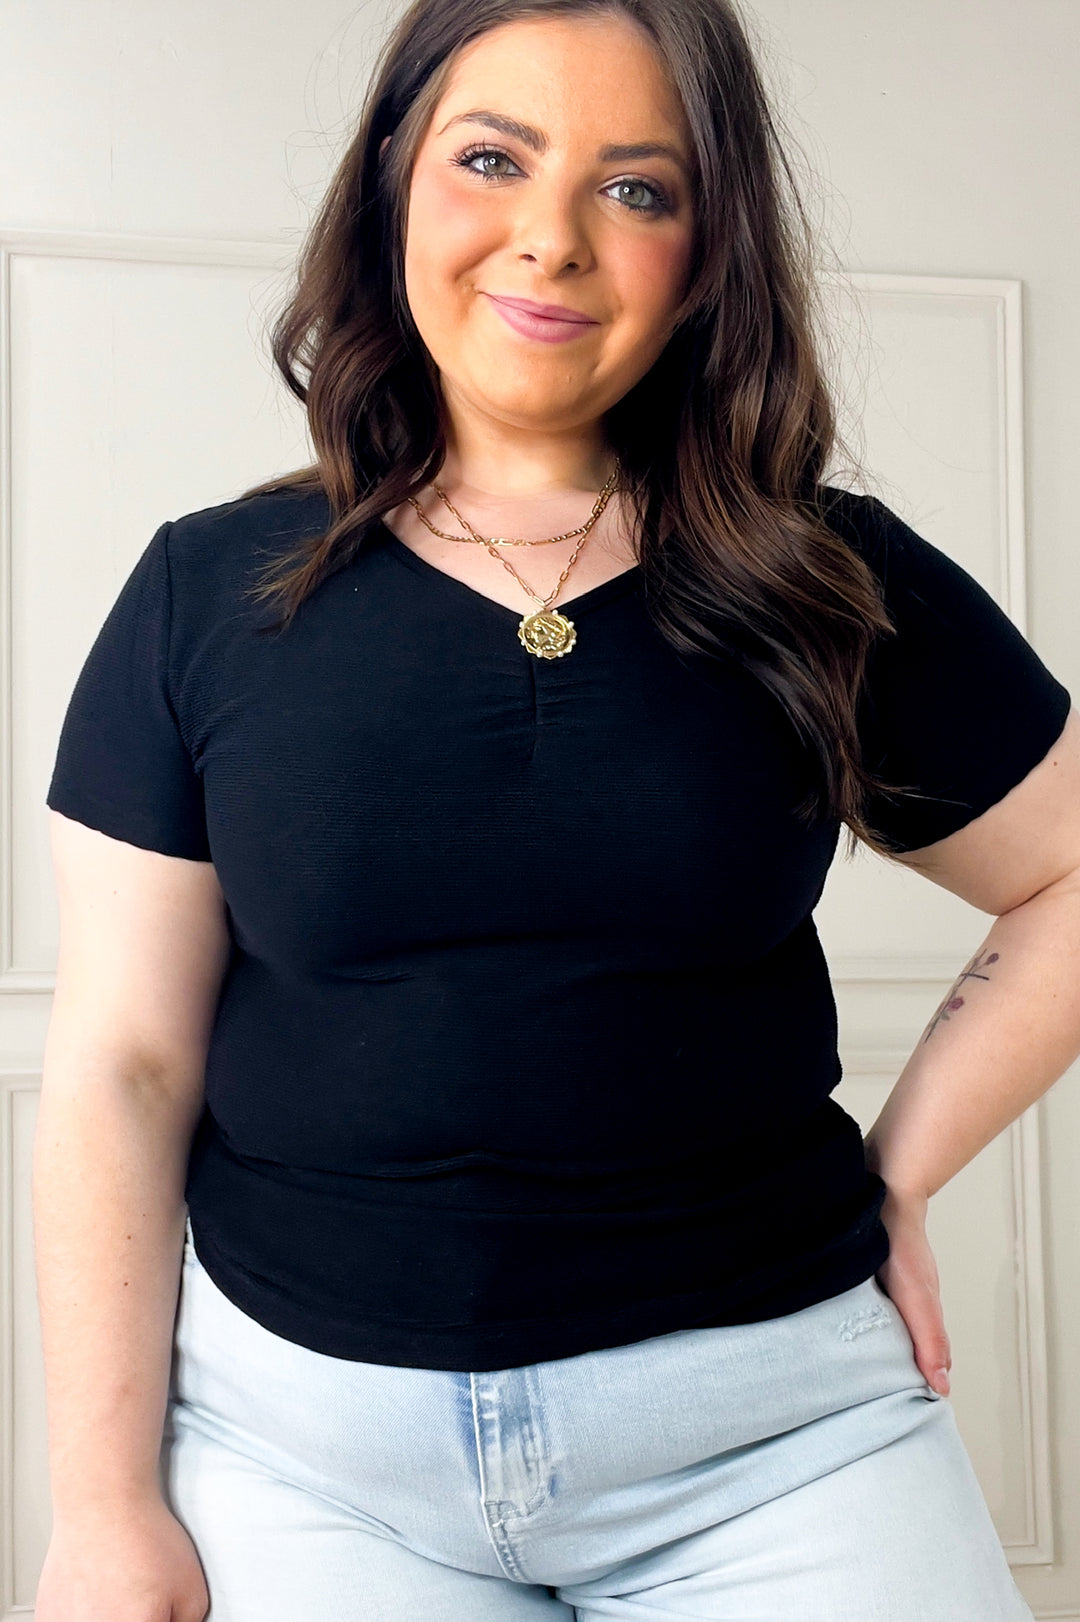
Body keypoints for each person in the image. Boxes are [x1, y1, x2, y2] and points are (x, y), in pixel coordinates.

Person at [32, 1, 1078, 1618]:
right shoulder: (203, 593)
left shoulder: (824, 575)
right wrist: (101, 1504)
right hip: (310, 1468)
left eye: (636, 189)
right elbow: (124, 1064)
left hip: (780, 1447)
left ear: (708, 250)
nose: (553, 239)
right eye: (492, 159)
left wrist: (909, 1163)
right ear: (394, 180)